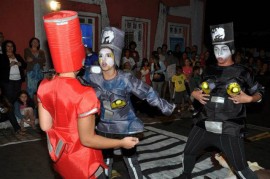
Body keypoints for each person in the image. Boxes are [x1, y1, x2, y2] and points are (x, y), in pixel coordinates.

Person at [37, 11, 139, 179]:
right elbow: (88, 140)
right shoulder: (84, 94)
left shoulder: (44, 85)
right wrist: (121, 143)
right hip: (85, 165)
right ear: (79, 59)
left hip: (61, 158)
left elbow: (45, 126)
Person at [82, 27, 175, 179]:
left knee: (131, 162)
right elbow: (77, 82)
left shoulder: (126, 78)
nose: (103, 60)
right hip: (104, 126)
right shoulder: (93, 77)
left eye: (108, 56)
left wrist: (165, 107)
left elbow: (148, 92)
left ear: (116, 57)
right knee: (105, 162)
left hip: (125, 126)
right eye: (101, 56)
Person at [178, 22, 264, 179]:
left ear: (231, 50)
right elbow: (200, 89)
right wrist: (195, 94)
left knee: (240, 168)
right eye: (216, 49)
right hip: (204, 123)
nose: (219, 53)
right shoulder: (209, 69)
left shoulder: (243, 71)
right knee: (189, 152)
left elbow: (260, 91)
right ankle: (185, 176)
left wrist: (250, 98)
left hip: (229, 127)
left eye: (223, 49)